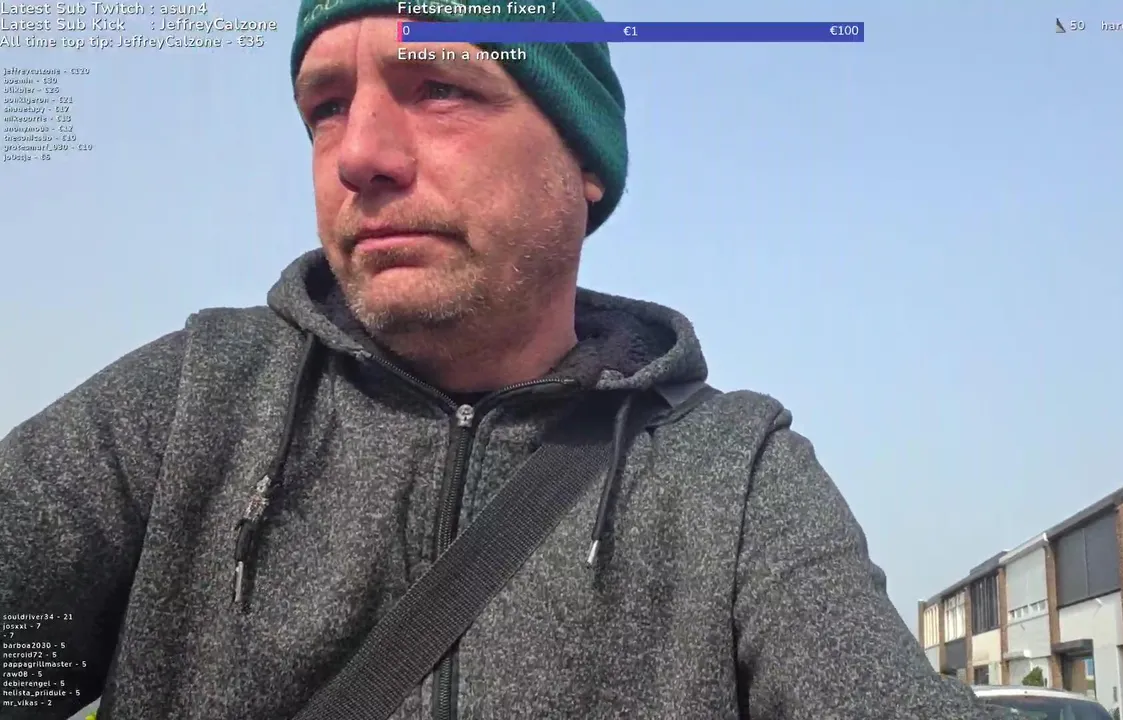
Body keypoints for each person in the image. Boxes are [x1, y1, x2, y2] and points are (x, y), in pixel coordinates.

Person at [0, 1, 1016, 718]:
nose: (358, 155)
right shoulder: (194, 401)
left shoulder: (733, 473)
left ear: (583, 159)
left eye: (439, 87)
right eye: (325, 107)